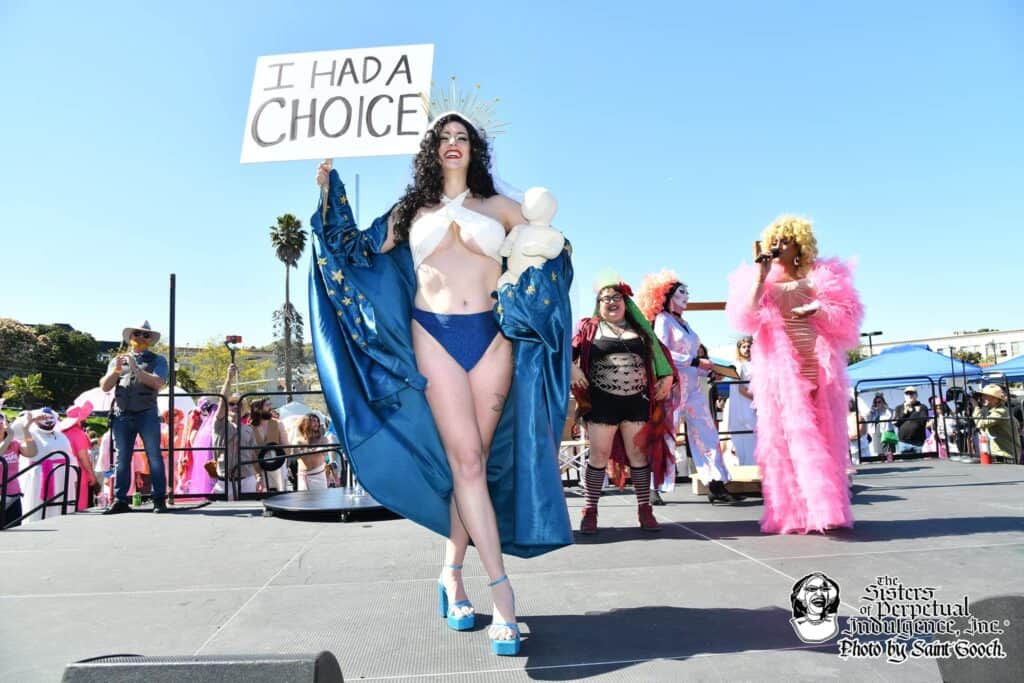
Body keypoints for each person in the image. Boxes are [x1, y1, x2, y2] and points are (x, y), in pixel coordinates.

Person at [309, 108, 574, 656]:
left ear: (476, 149)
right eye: (444, 137)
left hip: (493, 337)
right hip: (432, 333)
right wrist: (328, 189)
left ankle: (451, 574)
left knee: (471, 465)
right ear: (431, 150)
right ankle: (504, 598)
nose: (454, 144)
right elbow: (352, 250)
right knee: (468, 464)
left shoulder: (501, 207)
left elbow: (554, 253)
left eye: (463, 137)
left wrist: (536, 281)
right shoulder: (410, 211)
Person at [726, 215, 863, 534]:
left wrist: (817, 308)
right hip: (779, 367)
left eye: (785, 239)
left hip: (816, 359)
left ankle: (825, 508)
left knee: (822, 433)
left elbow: (849, 315)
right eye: (775, 239)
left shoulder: (823, 275)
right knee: (786, 438)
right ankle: (794, 513)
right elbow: (746, 318)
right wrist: (760, 277)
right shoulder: (760, 278)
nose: (779, 244)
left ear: (799, 244)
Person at [571, 281, 675, 530]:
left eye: (617, 297)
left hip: (636, 402)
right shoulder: (588, 328)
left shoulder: (641, 330)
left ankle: (644, 510)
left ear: (626, 303)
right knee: (599, 455)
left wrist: (668, 376)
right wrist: (571, 368)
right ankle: (590, 510)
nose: (611, 301)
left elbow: (661, 356)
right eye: (605, 298)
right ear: (598, 304)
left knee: (638, 455)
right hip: (601, 403)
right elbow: (565, 352)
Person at [636, 271, 736, 504]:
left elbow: (692, 357)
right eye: (682, 291)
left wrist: (709, 370)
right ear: (667, 295)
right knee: (665, 434)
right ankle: (653, 487)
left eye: (687, 291)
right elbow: (663, 353)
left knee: (707, 432)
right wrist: (696, 362)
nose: (686, 296)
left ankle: (716, 483)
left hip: (693, 388)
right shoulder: (662, 320)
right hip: (673, 386)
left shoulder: (686, 324)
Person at [99, 320, 169, 514]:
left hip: (146, 414)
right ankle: (120, 499)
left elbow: (158, 383)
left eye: (145, 335)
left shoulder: (158, 360)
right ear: (130, 337)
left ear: (149, 340)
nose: (140, 338)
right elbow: (104, 386)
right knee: (122, 458)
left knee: (154, 456)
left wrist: (136, 368)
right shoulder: (117, 361)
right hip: (123, 414)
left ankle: (159, 499)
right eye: (137, 334)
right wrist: (117, 370)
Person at [206, 365, 263, 497]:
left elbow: (253, 455)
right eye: (231, 403)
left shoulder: (248, 430)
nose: (235, 406)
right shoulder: (219, 424)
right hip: (224, 482)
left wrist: (259, 476)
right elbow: (222, 402)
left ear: (244, 409)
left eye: (239, 404)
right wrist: (229, 378)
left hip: (247, 480)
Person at [57, 403, 101, 510]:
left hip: (62, 469)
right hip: (79, 471)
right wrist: (92, 474)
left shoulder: (60, 432)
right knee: (79, 502)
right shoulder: (79, 434)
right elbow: (83, 457)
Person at [725, 336, 757, 466]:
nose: (747, 349)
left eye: (749, 346)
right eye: (744, 346)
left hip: (754, 406)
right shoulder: (738, 365)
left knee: (755, 437)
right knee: (747, 435)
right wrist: (758, 399)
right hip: (745, 406)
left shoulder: (757, 364)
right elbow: (740, 389)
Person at [972, 384, 1021, 464]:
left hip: (1005, 455)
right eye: (983, 396)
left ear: (996, 399)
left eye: (986, 396)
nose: (983, 398)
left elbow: (980, 424)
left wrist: (976, 407)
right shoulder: (998, 411)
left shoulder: (1000, 412)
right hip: (1002, 454)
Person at [249, 398, 290, 492]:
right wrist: (258, 474)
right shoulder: (250, 428)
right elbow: (250, 453)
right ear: (257, 409)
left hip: (278, 468)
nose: (270, 408)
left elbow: (286, 447)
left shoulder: (278, 424)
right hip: (259, 469)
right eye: (267, 405)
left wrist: (280, 464)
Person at [292, 413, 329, 491]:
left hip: (319, 474)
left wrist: (311, 450)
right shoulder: (298, 441)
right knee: (305, 501)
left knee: (321, 500)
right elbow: (295, 455)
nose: (317, 423)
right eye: (313, 421)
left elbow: (324, 453)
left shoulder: (323, 439)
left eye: (317, 421)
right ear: (306, 423)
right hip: (304, 475)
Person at [1, 414, 24, 528]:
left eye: (2, 423)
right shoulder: (10, 438)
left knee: (14, 527)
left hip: (13, 493)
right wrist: (9, 436)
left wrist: (27, 432)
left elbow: (32, 452)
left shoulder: (14, 443)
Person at [892, 387, 928, 455]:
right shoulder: (898, 408)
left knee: (920, 463)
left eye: (912, 393)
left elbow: (923, 422)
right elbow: (896, 423)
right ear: (904, 396)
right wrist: (905, 412)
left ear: (916, 395)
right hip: (903, 443)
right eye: (907, 393)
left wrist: (916, 412)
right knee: (905, 464)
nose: (909, 395)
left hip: (918, 443)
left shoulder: (922, 407)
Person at [865, 393, 893, 460]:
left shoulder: (888, 410)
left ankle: (890, 462)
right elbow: (868, 420)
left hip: (886, 431)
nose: (878, 404)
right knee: (879, 451)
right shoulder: (874, 412)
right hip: (876, 431)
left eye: (879, 402)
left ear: (883, 402)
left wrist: (886, 408)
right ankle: (882, 463)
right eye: (876, 402)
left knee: (888, 451)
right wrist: (870, 412)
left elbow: (891, 416)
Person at [847, 397, 868, 467]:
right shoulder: (841, 417)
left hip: (859, 450)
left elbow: (860, 433)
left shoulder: (858, 416)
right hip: (849, 451)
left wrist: (845, 439)